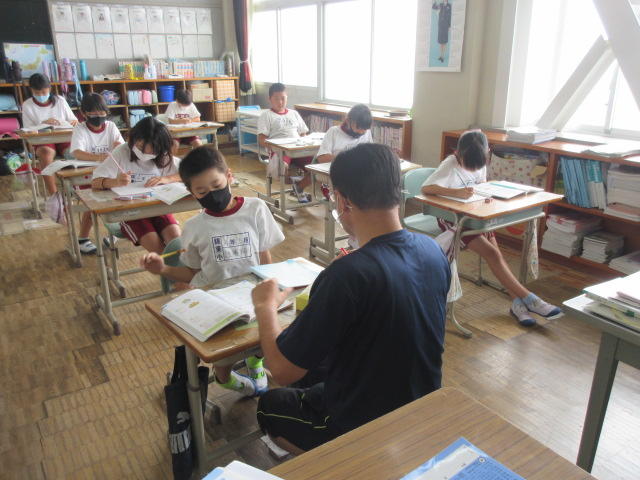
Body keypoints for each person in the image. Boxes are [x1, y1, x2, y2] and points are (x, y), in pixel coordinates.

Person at [252, 143, 451, 454]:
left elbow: (281, 371)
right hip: (422, 405)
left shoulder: (348, 274)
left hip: (365, 425)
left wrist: (265, 307)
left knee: (271, 404)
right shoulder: (433, 250)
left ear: (343, 201)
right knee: (316, 369)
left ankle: (347, 463)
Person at [140, 146, 285, 396]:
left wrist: (269, 285)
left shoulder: (256, 209)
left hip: (253, 296)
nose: (213, 195)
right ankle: (226, 380)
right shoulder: (194, 227)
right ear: (191, 192)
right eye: (202, 192)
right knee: (223, 360)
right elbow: (192, 273)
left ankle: (255, 361)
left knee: (265, 336)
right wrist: (163, 268)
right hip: (216, 301)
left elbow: (264, 257)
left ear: (229, 176)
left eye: (217, 185)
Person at [421, 130, 563, 326]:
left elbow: (481, 185)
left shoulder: (480, 159)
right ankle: (531, 300)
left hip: (476, 215)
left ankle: (517, 303)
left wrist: (485, 195)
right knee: (493, 254)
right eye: (467, 163)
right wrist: (456, 192)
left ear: (487, 152)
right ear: (458, 153)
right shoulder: (450, 163)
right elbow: (426, 188)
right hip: (454, 220)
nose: (474, 168)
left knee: (496, 255)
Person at [91, 117, 181, 254]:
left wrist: (167, 178)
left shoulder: (162, 154)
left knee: (177, 245)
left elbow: (189, 173)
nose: (145, 154)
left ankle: (175, 267)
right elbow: (95, 182)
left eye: (152, 152)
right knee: (159, 250)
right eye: (140, 148)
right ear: (133, 139)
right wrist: (115, 182)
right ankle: (167, 267)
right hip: (131, 213)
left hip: (158, 209)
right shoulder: (121, 152)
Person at [70, 93, 125, 254]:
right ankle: (83, 239)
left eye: (102, 113)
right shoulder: (80, 129)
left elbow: (120, 147)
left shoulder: (111, 126)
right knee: (93, 203)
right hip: (88, 174)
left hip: (109, 173)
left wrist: (117, 147)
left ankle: (114, 232)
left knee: (118, 198)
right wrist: (99, 157)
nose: (98, 117)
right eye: (93, 114)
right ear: (84, 113)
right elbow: (77, 152)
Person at [293, 104, 373, 196]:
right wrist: (348, 160)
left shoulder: (367, 133)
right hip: (337, 169)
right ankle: (300, 185)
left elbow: (370, 153)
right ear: (348, 121)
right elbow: (322, 158)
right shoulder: (334, 132)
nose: (361, 132)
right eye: (358, 128)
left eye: (364, 130)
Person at [21, 73, 78, 196]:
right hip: (43, 139)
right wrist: (43, 123)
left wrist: (73, 121)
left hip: (63, 136)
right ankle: (54, 195)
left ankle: (76, 188)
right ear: (31, 90)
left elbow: (73, 120)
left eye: (44, 92)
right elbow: (27, 130)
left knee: (72, 153)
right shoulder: (27, 105)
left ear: (50, 88)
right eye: (37, 93)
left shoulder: (60, 100)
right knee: (46, 154)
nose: (41, 95)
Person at [257, 83, 312, 203]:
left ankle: (299, 186)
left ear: (287, 97)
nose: (280, 102)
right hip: (280, 151)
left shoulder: (294, 113)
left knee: (316, 166)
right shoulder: (266, 115)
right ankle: (293, 182)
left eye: (283, 98)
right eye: (276, 99)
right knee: (282, 167)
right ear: (270, 99)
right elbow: (261, 139)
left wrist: (304, 143)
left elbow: (303, 134)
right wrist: (274, 147)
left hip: (298, 149)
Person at [165, 89, 203, 155]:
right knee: (174, 145)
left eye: (187, 105)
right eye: (183, 104)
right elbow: (171, 121)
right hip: (176, 134)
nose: (185, 106)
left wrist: (190, 120)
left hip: (189, 133)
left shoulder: (191, 105)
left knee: (198, 143)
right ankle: (171, 160)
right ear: (177, 101)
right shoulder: (172, 105)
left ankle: (200, 160)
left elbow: (198, 118)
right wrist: (182, 121)